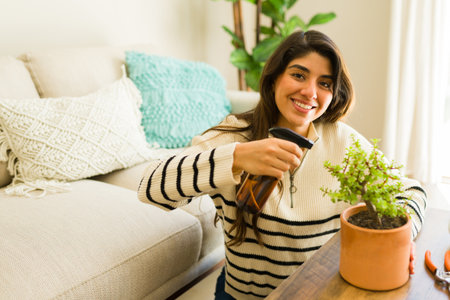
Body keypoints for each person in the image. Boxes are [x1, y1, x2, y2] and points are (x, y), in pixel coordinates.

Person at [137, 30, 427, 299]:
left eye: (324, 83)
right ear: (274, 78)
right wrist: (237, 158)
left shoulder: (344, 142)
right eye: (299, 75)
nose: (310, 92)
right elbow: (149, 188)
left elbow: (412, 190)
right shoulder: (233, 135)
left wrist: (401, 237)